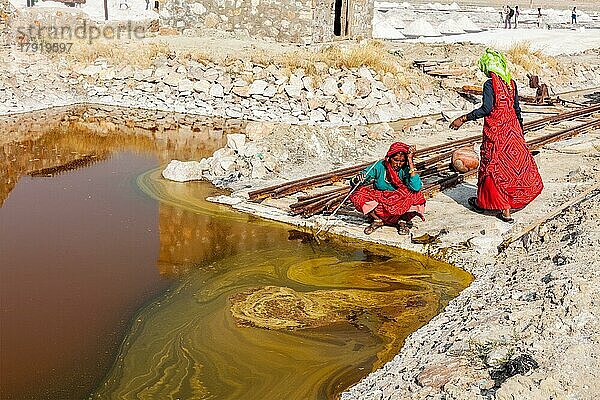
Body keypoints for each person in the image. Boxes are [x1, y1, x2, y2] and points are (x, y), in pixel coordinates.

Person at [450, 49, 543, 223]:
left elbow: (487, 109)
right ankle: (502, 205)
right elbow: (517, 110)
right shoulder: (511, 84)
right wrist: (519, 131)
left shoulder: (489, 84)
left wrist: (463, 118)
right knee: (513, 167)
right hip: (512, 131)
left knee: (494, 168)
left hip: (496, 133)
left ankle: (501, 209)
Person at [350, 142, 426, 235]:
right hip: (381, 199)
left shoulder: (406, 169)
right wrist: (358, 179)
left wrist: (410, 161)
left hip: (399, 200)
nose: (398, 164)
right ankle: (377, 220)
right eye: (395, 160)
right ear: (389, 158)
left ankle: (402, 220)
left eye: (402, 161)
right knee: (356, 193)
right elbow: (360, 178)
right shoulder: (380, 165)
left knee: (417, 195)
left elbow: (416, 187)